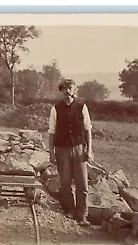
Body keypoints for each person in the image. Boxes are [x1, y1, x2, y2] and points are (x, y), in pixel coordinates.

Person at [47, 78, 93, 227]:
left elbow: (88, 130)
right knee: (66, 183)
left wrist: (89, 149)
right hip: (62, 150)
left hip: (79, 149)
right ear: (61, 91)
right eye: (65, 89)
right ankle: (70, 210)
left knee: (82, 184)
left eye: (70, 88)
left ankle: (82, 215)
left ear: (74, 90)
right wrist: (51, 153)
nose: (68, 91)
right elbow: (51, 132)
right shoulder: (56, 109)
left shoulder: (82, 107)